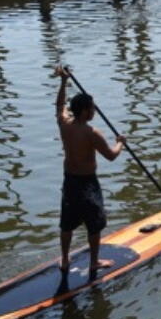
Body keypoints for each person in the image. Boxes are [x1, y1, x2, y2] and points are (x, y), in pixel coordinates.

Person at [53, 66, 126, 280]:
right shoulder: (92, 133)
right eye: (92, 108)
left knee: (67, 222)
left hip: (70, 181)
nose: (94, 111)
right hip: (87, 183)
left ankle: (65, 259)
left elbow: (59, 106)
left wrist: (63, 82)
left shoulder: (64, 124)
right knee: (94, 223)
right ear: (85, 111)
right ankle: (94, 263)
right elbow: (111, 155)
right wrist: (120, 143)